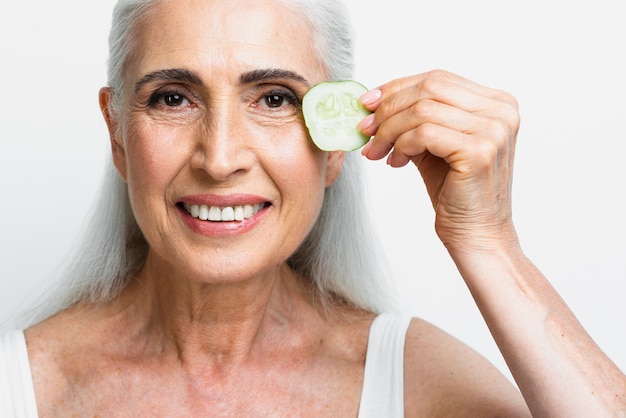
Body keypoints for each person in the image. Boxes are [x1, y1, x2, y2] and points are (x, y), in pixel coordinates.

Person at [1, 0, 625, 416]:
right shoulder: (21, 383)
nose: (219, 159)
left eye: (273, 99)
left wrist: (487, 241)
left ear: (339, 142)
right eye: (172, 98)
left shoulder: (415, 383)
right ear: (117, 132)